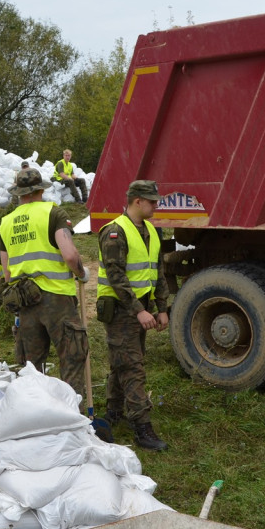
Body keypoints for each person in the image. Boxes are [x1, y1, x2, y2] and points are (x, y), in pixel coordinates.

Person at [0, 168, 88, 398]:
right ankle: (73, 418)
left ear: (19, 193)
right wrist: (81, 273)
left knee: (32, 369)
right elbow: (69, 255)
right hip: (57, 299)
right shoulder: (53, 213)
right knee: (71, 359)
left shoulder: (6, 223)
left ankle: (37, 420)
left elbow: (7, 275)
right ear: (40, 190)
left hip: (25, 302)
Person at [97, 180, 171, 451]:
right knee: (132, 366)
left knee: (123, 360)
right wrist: (140, 311)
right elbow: (116, 276)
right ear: (136, 201)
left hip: (139, 307)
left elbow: (158, 272)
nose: (156, 205)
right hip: (120, 309)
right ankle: (141, 427)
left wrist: (161, 307)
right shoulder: (115, 232)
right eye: (152, 201)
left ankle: (114, 411)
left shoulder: (151, 230)